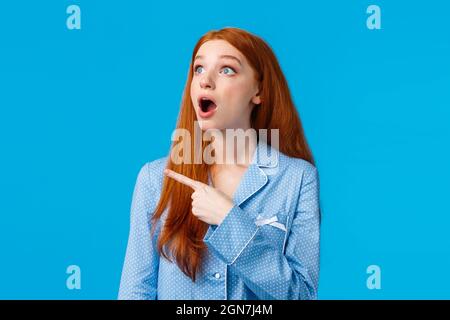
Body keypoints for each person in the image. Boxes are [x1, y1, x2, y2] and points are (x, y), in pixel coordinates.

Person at [118, 27, 321, 300]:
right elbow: (135, 292)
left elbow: (302, 295)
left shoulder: (297, 178)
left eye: (226, 70)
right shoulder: (155, 179)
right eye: (199, 69)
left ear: (258, 90)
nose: (206, 81)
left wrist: (229, 221)